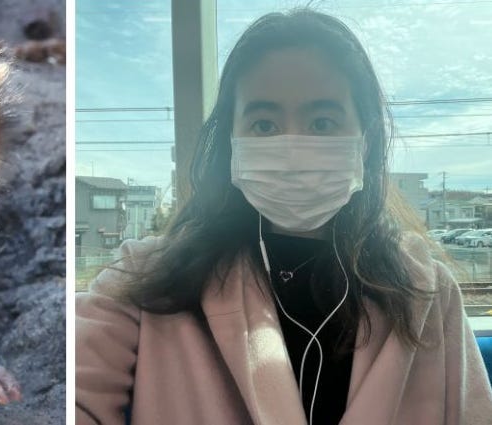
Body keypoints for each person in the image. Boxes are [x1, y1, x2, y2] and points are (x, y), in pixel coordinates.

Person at [75, 8, 492, 425]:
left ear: (365, 141)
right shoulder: (144, 277)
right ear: (231, 143)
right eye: (264, 125)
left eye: (323, 122)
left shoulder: (429, 293)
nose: (293, 147)